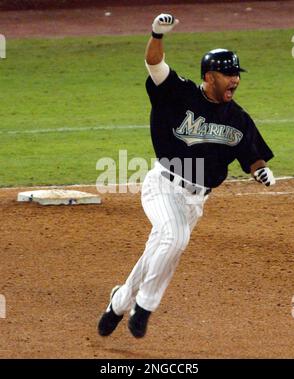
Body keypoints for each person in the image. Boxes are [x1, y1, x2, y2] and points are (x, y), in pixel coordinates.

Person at [98, 13, 275, 338]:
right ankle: (144, 308)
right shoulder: (179, 93)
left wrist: (262, 171)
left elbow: (253, 156)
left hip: (195, 202)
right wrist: (157, 34)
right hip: (163, 185)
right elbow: (154, 63)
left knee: (159, 249)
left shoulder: (238, 118)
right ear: (210, 76)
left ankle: (120, 300)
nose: (235, 79)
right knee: (176, 238)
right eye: (228, 73)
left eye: (237, 73)